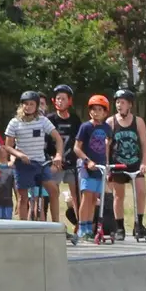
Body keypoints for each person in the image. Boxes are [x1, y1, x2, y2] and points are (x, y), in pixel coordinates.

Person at [6, 91, 65, 223]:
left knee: (54, 191)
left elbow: (58, 139)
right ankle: (23, 228)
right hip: (23, 165)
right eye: (25, 104)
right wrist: (19, 154)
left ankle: (56, 225)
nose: (28, 106)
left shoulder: (43, 121)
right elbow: (7, 146)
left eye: (31, 104)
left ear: (37, 106)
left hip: (41, 164)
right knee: (22, 198)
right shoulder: (14, 122)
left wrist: (58, 155)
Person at [108, 89, 146, 242]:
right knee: (118, 196)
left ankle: (139, 225)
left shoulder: (138, 121)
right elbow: (106, 146)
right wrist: (107, 166)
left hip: (135, 164)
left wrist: (144, 163)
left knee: (141, 191)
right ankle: (119, 227)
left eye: (122, 102)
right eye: (117, 102)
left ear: (130, 105)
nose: (119, 105)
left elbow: (145, 143)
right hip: (117, 164)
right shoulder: (111, 122)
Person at [73, 95, 113, 243]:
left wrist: (107, 165)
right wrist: (87, 161)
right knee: (87, 196)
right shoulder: (86, 127)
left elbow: (106, 148)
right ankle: (82, 227)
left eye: (99, 110)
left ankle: (90, 228)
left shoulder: (107, 128)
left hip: (100, 167)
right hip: (85, 166)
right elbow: (76, 148)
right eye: (93, 109)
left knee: (94, 198)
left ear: (105, 113)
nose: (96, 112)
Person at [48, 85, 82, 229]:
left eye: (63, 99)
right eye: (58, 99)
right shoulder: (49, 119)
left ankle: (79, 223)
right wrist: (53, 158)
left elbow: (79, 140)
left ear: (70, 101)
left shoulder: (75, 119)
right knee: (53, 192)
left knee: (76, 194)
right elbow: (47, 142)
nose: (60, 101)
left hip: (72, 162)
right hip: (55, 162)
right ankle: (56, 223)